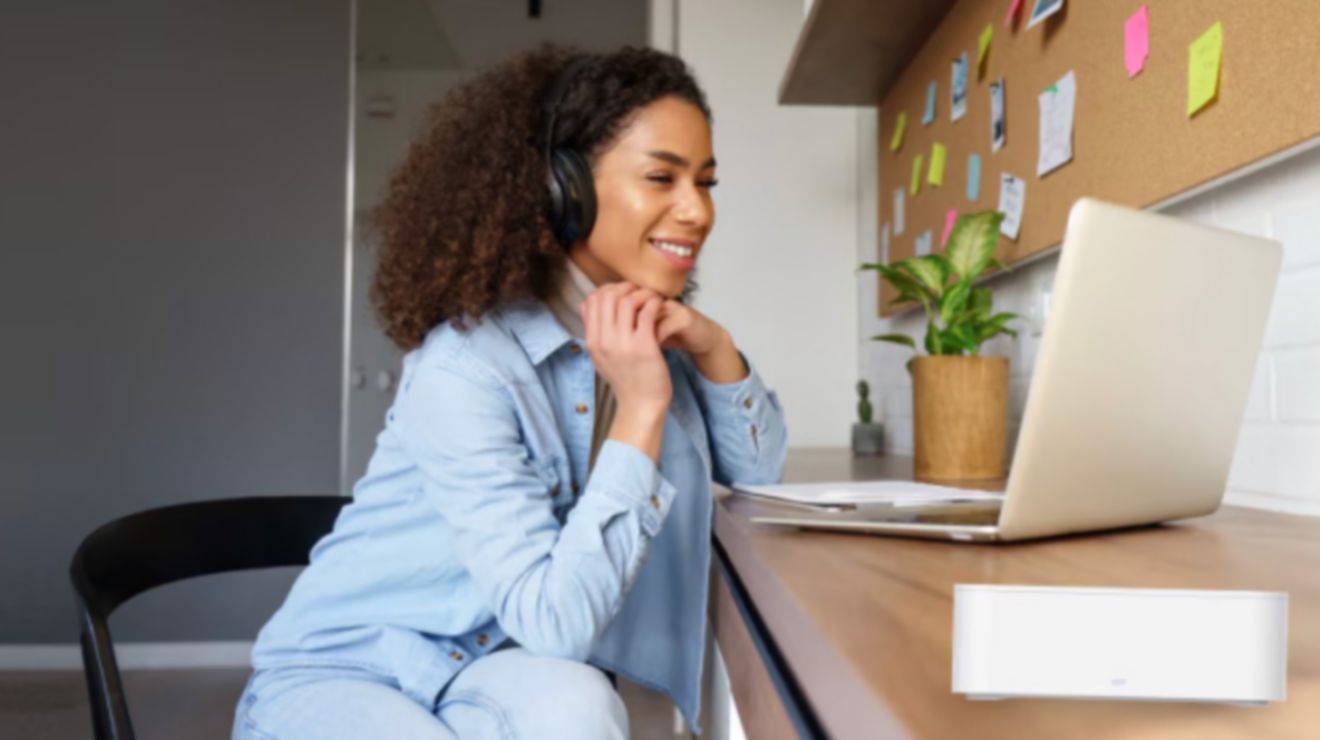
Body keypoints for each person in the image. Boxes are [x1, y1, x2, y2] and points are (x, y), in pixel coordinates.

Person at [232, 44, 788, 739]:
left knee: (579, 707)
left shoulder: (644, 341)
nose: (697, 211)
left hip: (486, 667)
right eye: (661, 177)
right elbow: (557, 621)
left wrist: (715, 349)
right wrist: (642, 410)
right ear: (564, 187)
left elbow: (759, 475)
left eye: (705, 183)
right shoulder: (465, 367)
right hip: (349, 667)